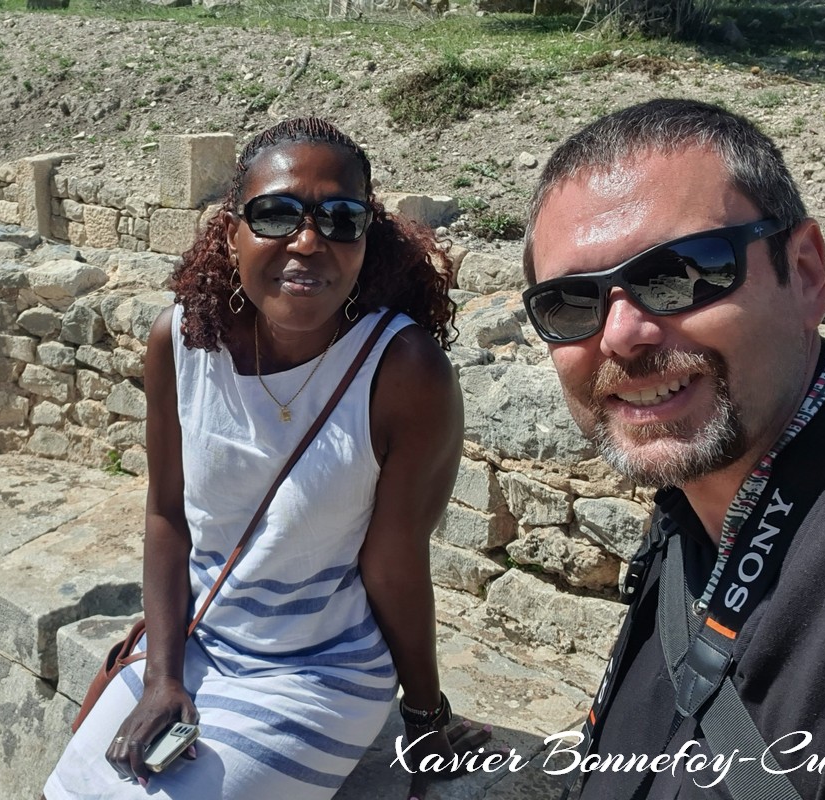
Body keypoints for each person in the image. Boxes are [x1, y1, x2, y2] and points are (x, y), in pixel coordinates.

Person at [43, 117, 492, 800]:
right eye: (276, 215)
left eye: (340, 219)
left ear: (365, 240)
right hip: (195, 641)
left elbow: (394, 561)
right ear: (233, 232)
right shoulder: (180, 343)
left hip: (319, 668)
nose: (308, 241)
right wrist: (163, 676)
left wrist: (425, 717)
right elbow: (168, 516)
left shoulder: (402, 370)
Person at [521, 98, 825, 799]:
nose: (621, 335)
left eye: (681, 273)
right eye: (569, 303)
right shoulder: (687, 512)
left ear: (805, 273)